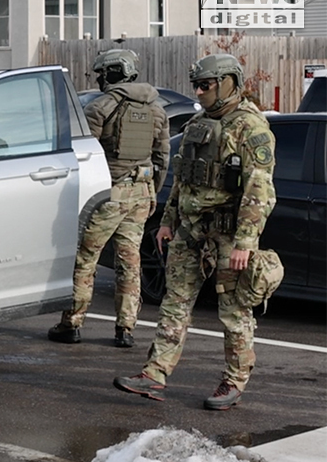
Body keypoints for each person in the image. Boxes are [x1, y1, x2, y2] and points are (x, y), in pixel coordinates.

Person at [114, 54, 277, 410]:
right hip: (190, 231)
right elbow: (183, 179)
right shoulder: (197, 124)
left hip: (228, 234)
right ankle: (155, 373)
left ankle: (234, 381)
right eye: (197, 86)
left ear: (228, 83)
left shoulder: (250, 128)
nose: (199, 92)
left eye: (206, 85)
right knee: (175, 303)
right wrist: (169, 221)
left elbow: (259, 191)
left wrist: (245, 242)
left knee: (234, 311)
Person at [49, 49, 169, 348]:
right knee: (130, 262)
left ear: (114, 72)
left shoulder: (100, 107)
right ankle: (126, 329)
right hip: (140, 193)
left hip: (107, 195)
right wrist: (151, 191)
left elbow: (83, 156)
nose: (99, 79)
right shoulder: (157, 110)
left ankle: (72, 323)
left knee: (85, 259)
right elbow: (162, 158)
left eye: (102, 73)